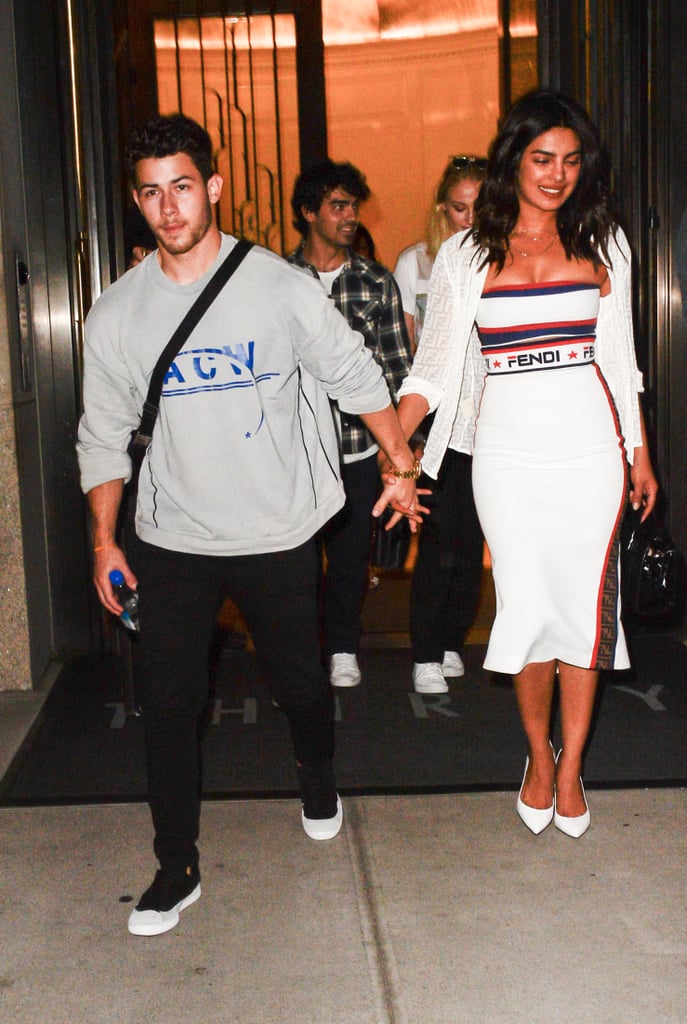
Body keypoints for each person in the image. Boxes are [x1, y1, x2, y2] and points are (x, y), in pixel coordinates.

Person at [76, 114, 422, 937]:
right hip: (172, 538)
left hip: (276, 532)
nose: (169, 208)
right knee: (169, 701)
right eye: (152, 193)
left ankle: (315, 770)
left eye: (183, 187)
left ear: (215, 187)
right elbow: (101, 433)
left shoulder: (277, 285)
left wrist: (399, 464)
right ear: (138, 201)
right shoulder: (117, 313)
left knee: (301, 684)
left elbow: (352, 373)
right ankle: (175, 864)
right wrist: (103, 539)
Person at [391, 90, 658, 838]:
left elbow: (621, 361)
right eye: (542, 158)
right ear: (513, 159)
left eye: (571, 161)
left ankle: (569, 766)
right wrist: (397, 447)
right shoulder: (465, 254)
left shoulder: (604, 243)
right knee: (526, 611)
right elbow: (433, 371)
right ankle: (533, 757)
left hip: (591, 450)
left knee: (580, 613)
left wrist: (637, 451)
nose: (557, 174)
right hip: (505, 457)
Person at [288, 160, 413, 688]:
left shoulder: (375, 281)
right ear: (307, 212)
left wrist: (399, 448)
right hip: (292, 450)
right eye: (337, 206)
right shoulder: (275, 280)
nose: (349, 216)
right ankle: (296, 655)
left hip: (358, 447)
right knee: (292, 562)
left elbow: (397, 369)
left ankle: (342, 647)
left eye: (353, 206)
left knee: (347, 556)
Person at [394, 156, 487, 694]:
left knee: (472, 540)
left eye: (479, 206)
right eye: (459, 207)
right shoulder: (419, 262)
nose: (469, 217)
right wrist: (406, 429)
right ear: (441, 207)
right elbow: (412, 352)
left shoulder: (499, 257)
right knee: (439, 539)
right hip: (435, 417)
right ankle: (425, 651)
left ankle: (452, 638)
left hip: (489, 421)